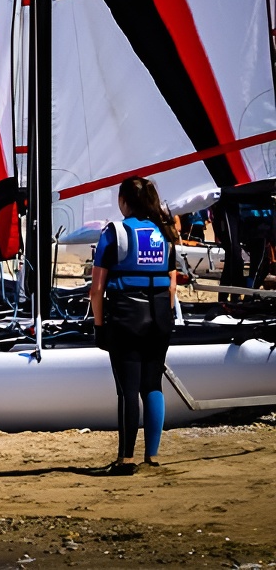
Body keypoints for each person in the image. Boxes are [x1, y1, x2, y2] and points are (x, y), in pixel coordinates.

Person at [90, 176, 178, 475]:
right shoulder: (164, 232)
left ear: (125, 201)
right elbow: (172, 286)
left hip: (127, 318)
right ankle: (152, 455)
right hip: (160, 318)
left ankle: (125, 458)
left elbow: (97, 289)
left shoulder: (115, 232)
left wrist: (99, 326)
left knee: (127, 389)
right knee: (152, 385)